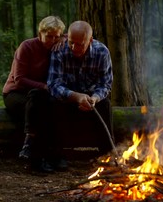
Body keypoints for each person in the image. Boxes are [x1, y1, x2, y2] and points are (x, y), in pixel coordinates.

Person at [3, 16, 65, 173]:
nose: (53, 40)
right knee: (40, 108)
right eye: (49, 36)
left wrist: (63, 40)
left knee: (52, 106)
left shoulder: (60, 45)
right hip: (16, 94)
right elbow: (19, 79)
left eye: (56, 36)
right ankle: (34, 158)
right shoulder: (27, 47)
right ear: (40, 33)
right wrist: (44, 86)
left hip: (42, 96)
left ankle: (54, 155)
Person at [47, 20, 114, 166]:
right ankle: (57, 156)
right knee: (53, 103)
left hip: (91, 100)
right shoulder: (59, 51)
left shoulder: (102, 52)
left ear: (90, 40)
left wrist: (95, 98)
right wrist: (75, 97)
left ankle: (107, 156)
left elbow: (105, 84)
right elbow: (53, 84)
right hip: (67, 98)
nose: (73, 47)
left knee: (105, 105)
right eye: (71, 42)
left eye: (79, 44)